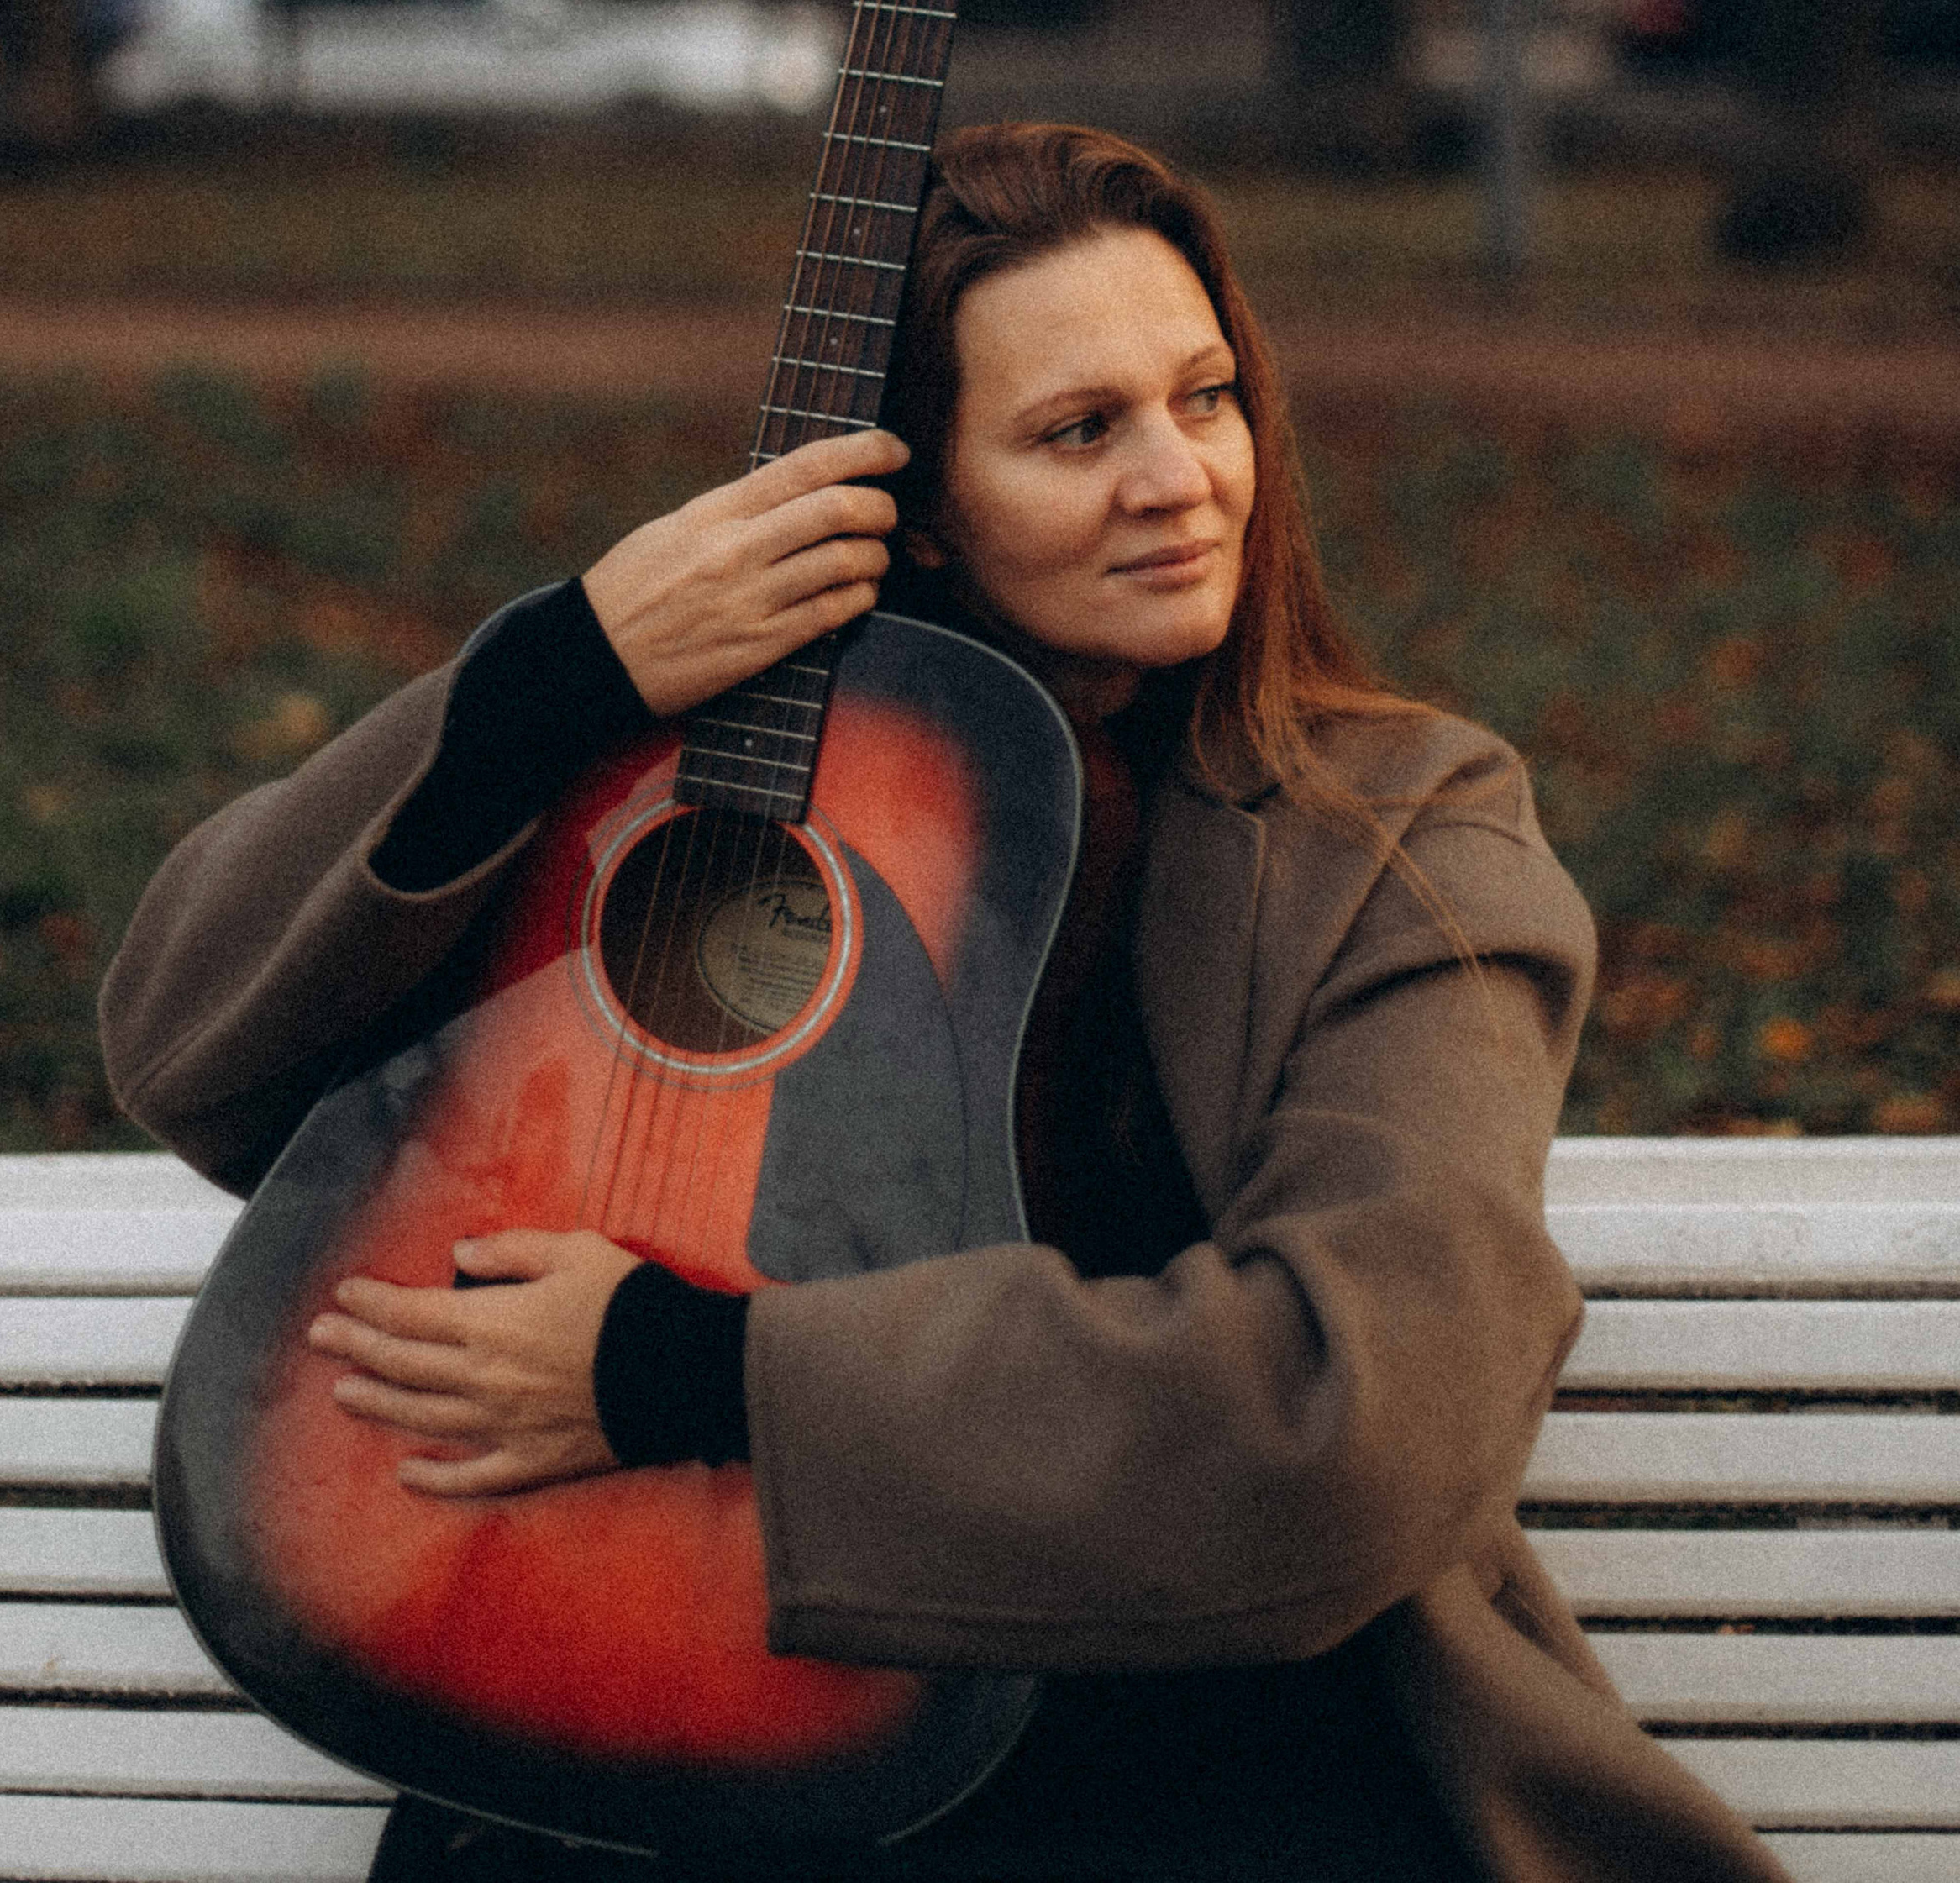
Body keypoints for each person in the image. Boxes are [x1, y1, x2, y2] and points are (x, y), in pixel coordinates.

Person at [101, 123, 1783, 1883]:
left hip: (1213, 1762)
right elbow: (194, 1058)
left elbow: (1358, 1418)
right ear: (902, 514)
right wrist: (551, 679)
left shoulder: (1393, 830)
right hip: (682, 1715)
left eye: (1203, 398)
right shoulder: (703, 794)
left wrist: (686, 1370)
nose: (1177, 478)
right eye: (1076, 432)